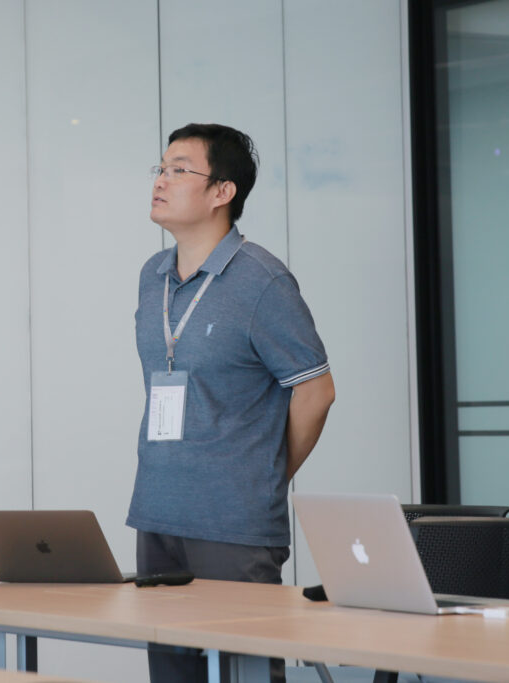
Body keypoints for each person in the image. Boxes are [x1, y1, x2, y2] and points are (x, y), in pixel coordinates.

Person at [127, 123, 336, 683]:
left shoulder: (263, 281)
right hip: (157, 510)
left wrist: (267, 474)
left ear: (223, 192)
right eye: (161, 168)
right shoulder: (154, 276)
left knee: (241, 675)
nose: (161, 181)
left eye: (179, 170)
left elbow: (316, 390)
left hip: (233, 523)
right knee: (172, 676)